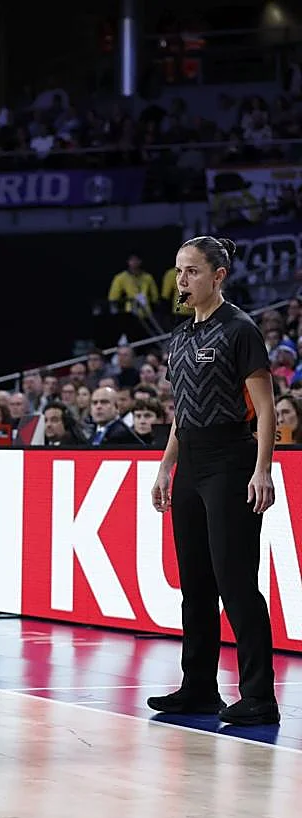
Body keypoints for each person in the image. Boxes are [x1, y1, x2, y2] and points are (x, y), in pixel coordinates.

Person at [149, 235, 279, 726]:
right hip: (192, 463)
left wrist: (262, 468)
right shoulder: (179, 337)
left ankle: (258, 697)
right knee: (195, 585)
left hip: (232, 459)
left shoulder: (240, 329)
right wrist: (166, 466)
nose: (182, 281)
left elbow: (265, 409)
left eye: (192, 272)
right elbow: (182, 412)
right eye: (179, 271)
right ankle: (199, 687)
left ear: (218, 276)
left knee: (236, 582)